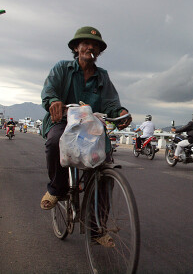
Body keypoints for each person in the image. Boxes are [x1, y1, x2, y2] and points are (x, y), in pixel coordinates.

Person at [40, 26, 132, 212]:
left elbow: (111, 103)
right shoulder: (62, 68)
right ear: (76, 48)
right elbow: (49, 90)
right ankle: (57, 188)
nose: (91, 48)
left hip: (91, 127)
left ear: (99, 51)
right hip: (63, 122)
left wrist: (120, 113)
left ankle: (97, 228)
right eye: (86, 44)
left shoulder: (102, 76)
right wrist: (54, 101)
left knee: (103, 168)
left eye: (95, 46)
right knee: (54, 142)